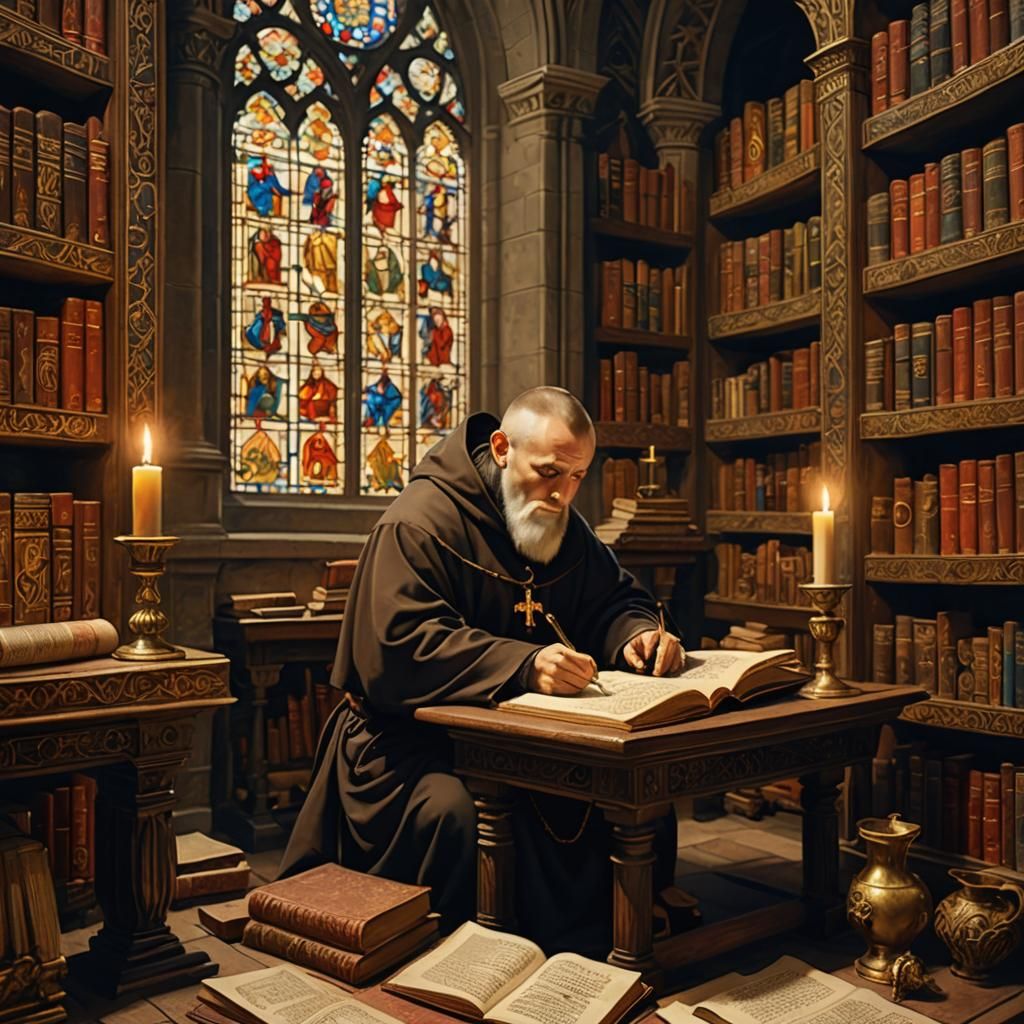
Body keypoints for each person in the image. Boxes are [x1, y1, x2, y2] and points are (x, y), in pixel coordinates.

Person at [281, 387, 683, 953]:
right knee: (458, 816)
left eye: (577, 477)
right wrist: (523, 664)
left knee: (636, 796)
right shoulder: (419, 523)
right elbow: (398, 647)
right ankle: (463, 964)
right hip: (412, 747)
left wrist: (636, 634)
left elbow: (613, 599)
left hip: (525, 742)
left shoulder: (559, 520)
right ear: (500, 448)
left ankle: (599, 946)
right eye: (549, 472)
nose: (563, 494)